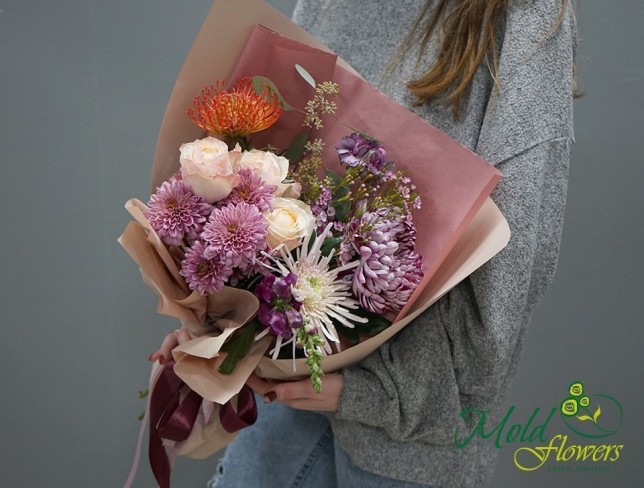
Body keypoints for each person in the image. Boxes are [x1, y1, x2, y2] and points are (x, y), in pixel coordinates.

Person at [152, 0, 577, 486]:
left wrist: (379, 392)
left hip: (406, 434)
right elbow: (273, 160)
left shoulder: (524, 13)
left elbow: (512, 268)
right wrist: (217, 320)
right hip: (283, 374)